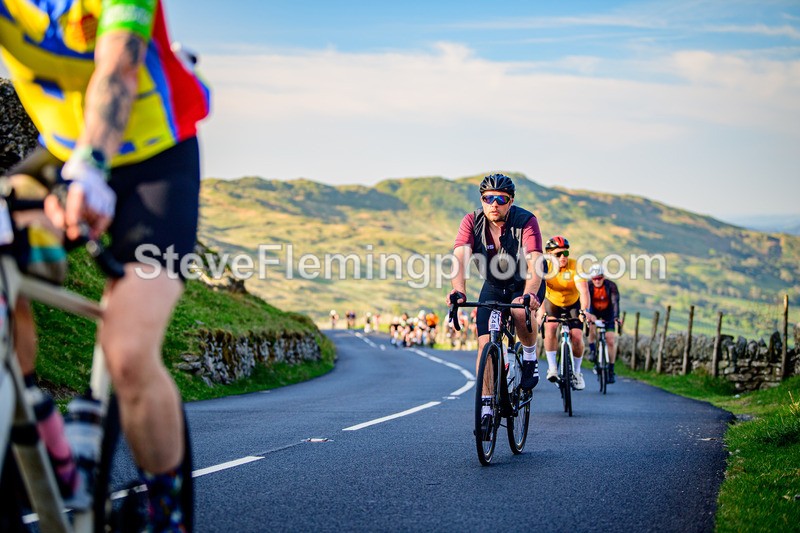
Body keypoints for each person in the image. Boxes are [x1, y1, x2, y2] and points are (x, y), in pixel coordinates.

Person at [1, 1, 211, 530]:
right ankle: (40, 431)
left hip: (154, 161)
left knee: (129, 352)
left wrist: (92, 167)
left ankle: (167, 514)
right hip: (58, 156)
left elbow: (118, 65)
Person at [447, 174, 543, 437]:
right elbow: (460, 258)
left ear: (510, 201)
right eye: (488, 199)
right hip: (493, 284)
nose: (494, 204)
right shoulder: (471, 221)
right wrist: (458, 290)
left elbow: (535, 262)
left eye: (501, 199)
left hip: (524, 284)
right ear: (482, 200)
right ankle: (487, 406)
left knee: (517, 308)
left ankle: (530, 355)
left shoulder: (525, 221)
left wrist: (530, 294)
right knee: (484, 345)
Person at [541, 236, 594, 391]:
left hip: (573, 304)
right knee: (550, 328)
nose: (563, 257)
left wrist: (584, 311)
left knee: (577, 336)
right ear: (549, 254)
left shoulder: (575, 266)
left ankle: (577, 373)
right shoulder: (544, 267)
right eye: (558, 254)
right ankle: (552, 368)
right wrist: (541, 311)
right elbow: (539, 290)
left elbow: (584, 291)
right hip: (553, 303)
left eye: (566, 253)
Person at [586, 264, 621, 383]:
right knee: (591, 325)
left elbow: (615, 302)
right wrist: (590, 315)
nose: (597, 281)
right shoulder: (588, 286)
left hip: (608, 314)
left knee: (610, 340)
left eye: (599, 278)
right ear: (591, 279)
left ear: (603, 277)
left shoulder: (611, 286)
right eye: (595, 278)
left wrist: (616, 317)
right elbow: (587, 301)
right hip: (594, 312)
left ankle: (611, 369)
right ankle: (592, 350)